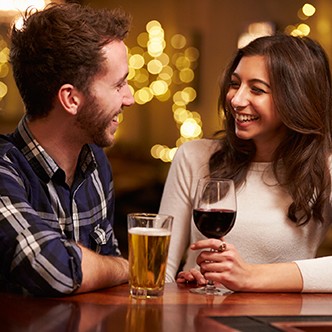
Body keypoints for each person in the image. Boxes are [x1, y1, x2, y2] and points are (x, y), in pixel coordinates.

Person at [159, 33, 332, 292]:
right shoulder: (194, 157)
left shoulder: (325, 168)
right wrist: (183, 288)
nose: (237, 100)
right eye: (234, 84)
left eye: (257, 89)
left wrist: (249, 277)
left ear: (295, 99)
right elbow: (159, 272)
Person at [0, 3, 135, 296]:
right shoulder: (4, 170)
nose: (130, 98)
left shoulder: (96, 163)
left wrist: (107, 268)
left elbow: (104, 275)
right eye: (118, 84)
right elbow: (55, 269)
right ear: (71, 99)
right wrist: (127, 268)